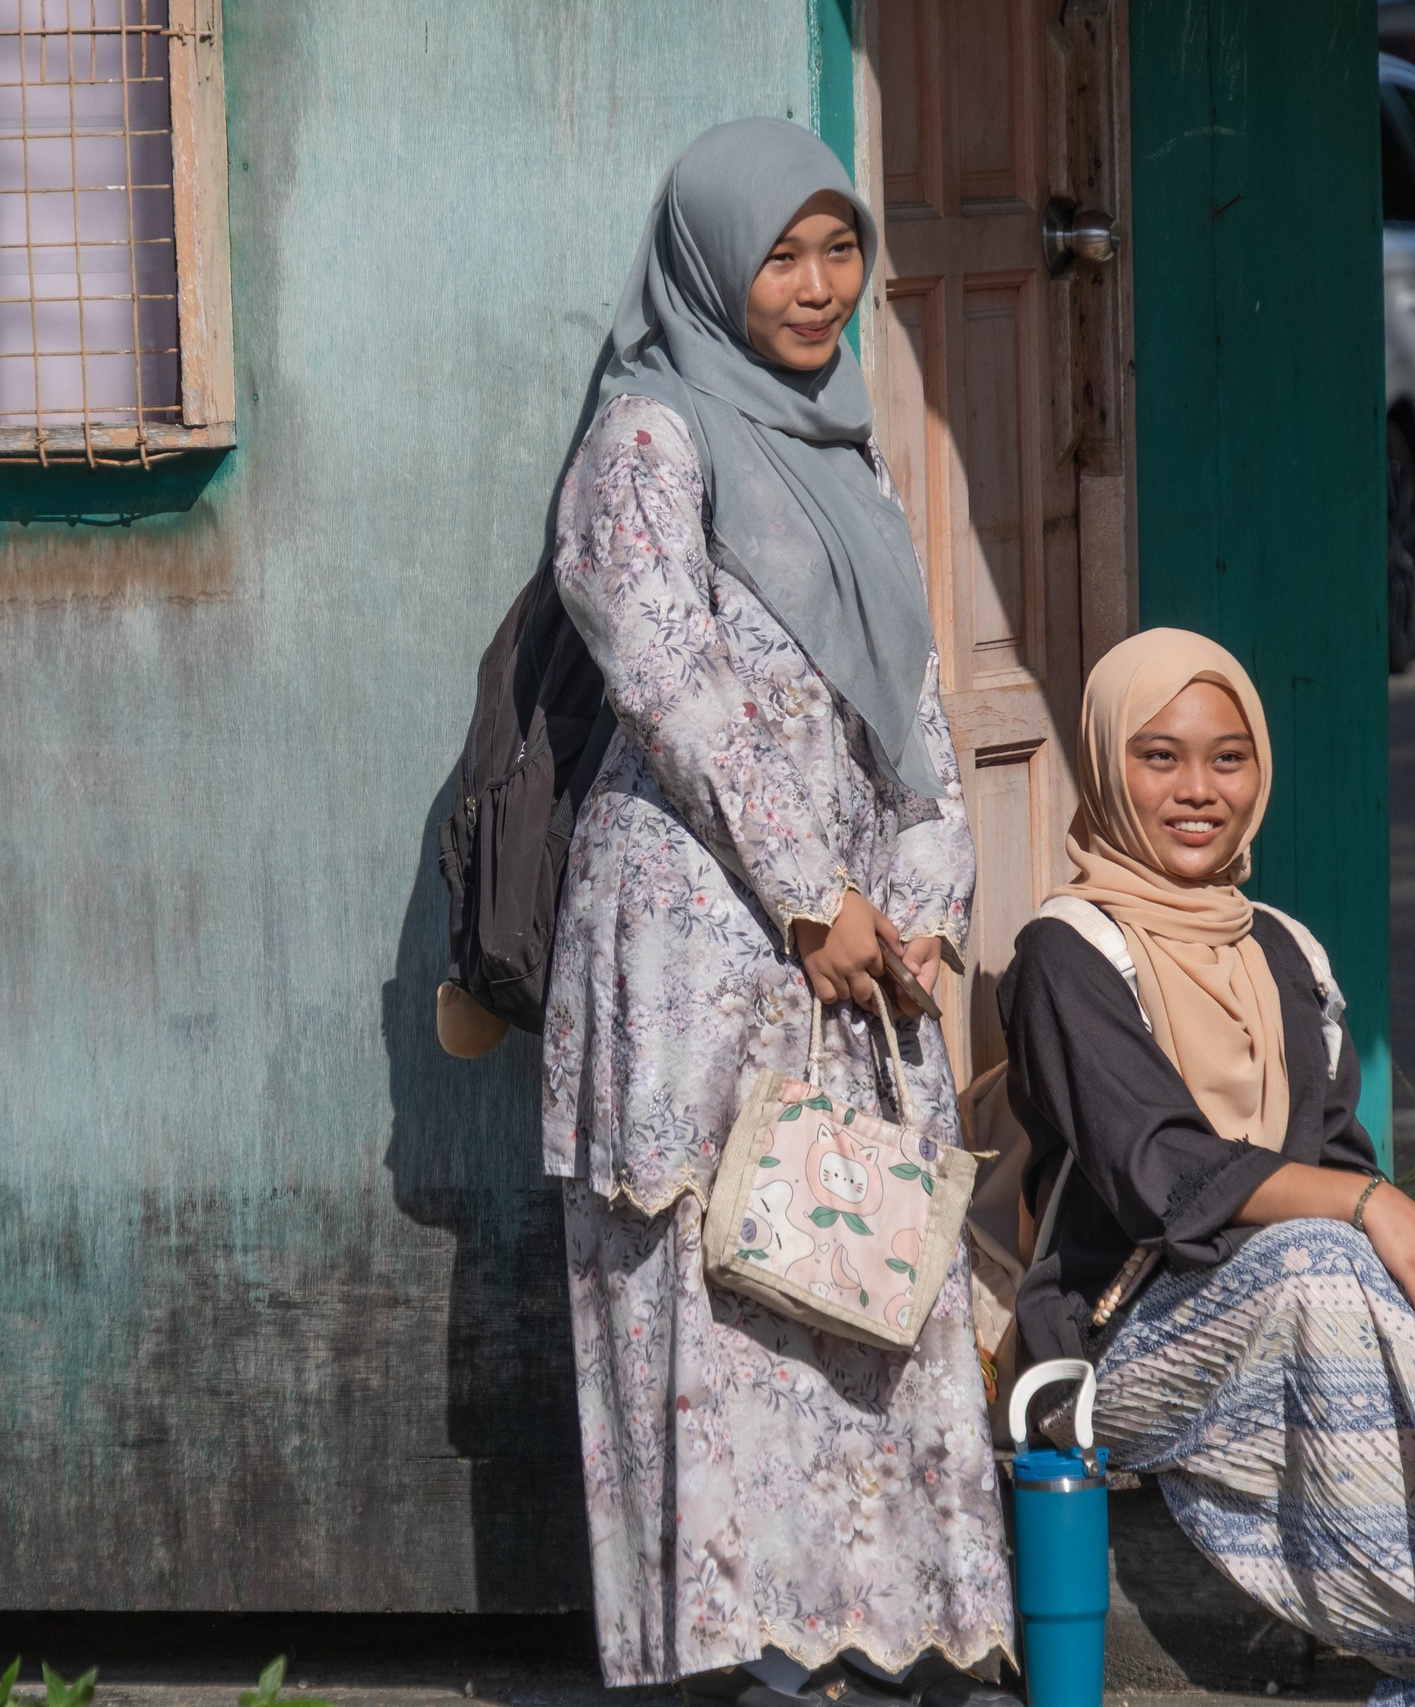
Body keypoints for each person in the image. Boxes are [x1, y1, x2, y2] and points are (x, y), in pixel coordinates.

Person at [540, 119, 1017, 1707]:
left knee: (856, 1270)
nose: (819, 288)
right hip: (701, 936)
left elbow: (914, 707)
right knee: (715, 1286)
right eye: (782, 253)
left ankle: (870, 1643)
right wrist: (812, 892)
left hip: (856, 953)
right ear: (708, 262)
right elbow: (665, 677)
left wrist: (926, 896)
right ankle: (742, 1658)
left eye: (840, 251)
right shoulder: (647, 440)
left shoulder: (842, 447)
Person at [995, 629, 1415, 1707]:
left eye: (1229, 758)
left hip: (1280, 1309)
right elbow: (1158, 1172)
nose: (1197, 790)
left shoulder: (1282, 947)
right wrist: (1370, 1203)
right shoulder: (1065, 952)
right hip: (1116, 1339)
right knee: (1334, 1253)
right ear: (1103, 764)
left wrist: (1378, 1220)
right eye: (1158, 756)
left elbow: (1329, 1163)